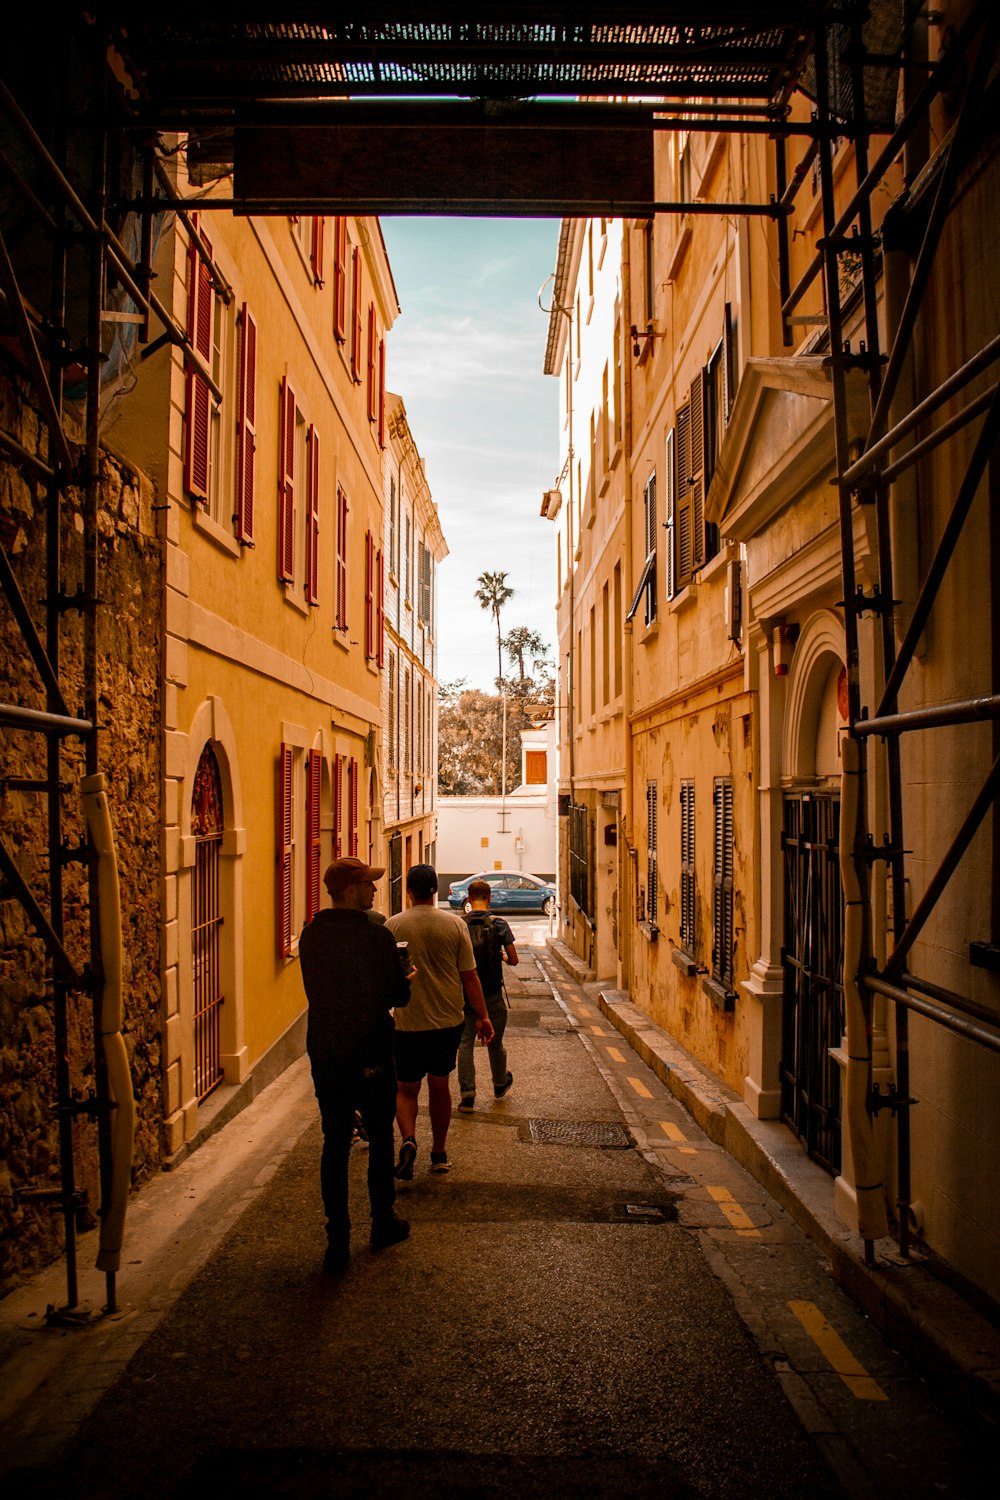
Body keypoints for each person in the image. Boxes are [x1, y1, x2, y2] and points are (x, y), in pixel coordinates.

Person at [299, 856, 412, 1273]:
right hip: (370, 1050)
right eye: (368, 884)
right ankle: (382, 1221)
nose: (375, 890)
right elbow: (397, 997)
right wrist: (404, 979)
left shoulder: (311, 937)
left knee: (335, 1141)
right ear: (349, 891)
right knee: (380, 1138)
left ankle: (337, 1238)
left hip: (327, 1051)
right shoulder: (376, 936)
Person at [386, 863, 494, 1177]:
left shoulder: (393, 926)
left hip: (407, 1020)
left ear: (408, 890)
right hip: (447, 1020)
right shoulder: (454, 925)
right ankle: (439, 1152)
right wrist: (483, 1016)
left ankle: (407, 1139)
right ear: (435, 891)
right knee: (439, 1084)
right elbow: (469, 975)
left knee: (405, 1089)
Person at [457, 879, 518, 1112]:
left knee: (465, 1043)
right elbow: (513, 959)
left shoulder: (459, 925)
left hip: (464, 995)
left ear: (469, 899)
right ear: (489, 897)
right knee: (495, 1042)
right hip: (492, 994)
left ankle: (468, 1094)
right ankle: (500, 1083)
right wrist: (501, 957)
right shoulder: (499, 925)